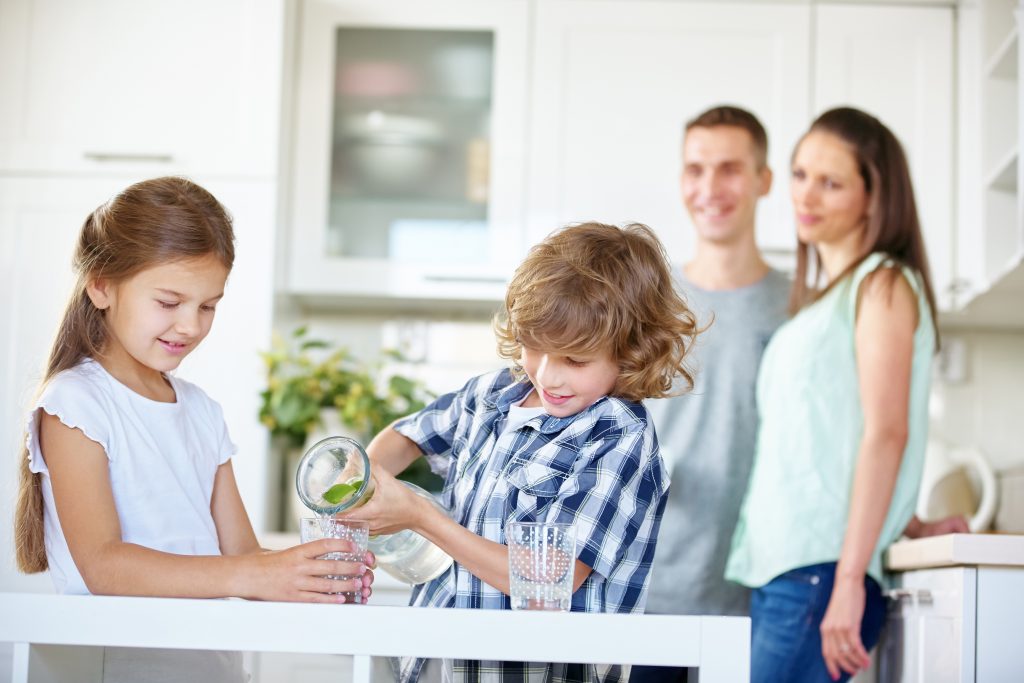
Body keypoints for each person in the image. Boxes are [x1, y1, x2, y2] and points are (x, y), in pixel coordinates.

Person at [13, 176, 375, 683]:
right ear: (101, 286)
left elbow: (242, 556)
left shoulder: (202, 412)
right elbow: (104, 565)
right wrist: (254, 573)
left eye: (208, 306)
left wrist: (310, 575)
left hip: (210, 667)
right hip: (110, 667)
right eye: (169, 302)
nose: (191, 325)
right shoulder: (76, 403)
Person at [339, 222, 700, 683]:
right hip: (433, 663)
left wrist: (421, 516)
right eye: (535, 347)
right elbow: (407, 435)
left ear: (630, 351)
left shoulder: (619, 437)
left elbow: (554, 577)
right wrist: (360, 482)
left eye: (575, 360)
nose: (548, 376)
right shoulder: (495, 392)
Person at [725, 107, 966, 683]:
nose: (806, 195)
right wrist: (910, 522)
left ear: (873, 197)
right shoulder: (825, 301)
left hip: (823, 574)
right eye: (801, 174)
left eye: (831, 183)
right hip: (786, 570)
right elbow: (832, 440)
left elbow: (887, 431)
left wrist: (852, 579)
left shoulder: (881, 283)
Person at [632, 105, 792, 683]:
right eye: (695, 170)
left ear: (763, 180)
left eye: (729, 169)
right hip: (649, 590)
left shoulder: (800, 304)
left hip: (759, 596)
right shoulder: (649, 300)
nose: (710, 188)